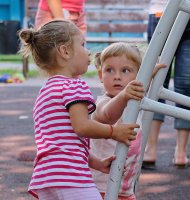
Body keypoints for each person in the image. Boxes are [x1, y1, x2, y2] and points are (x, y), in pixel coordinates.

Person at [18, 20, 140, 200]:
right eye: (83, 45)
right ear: (65, 51)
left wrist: (96, 164)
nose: (88, 51)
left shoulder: (46, 91)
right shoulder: (74, 86)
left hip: (45, 177)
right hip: (71, 176)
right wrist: (114, 132)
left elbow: (66, 142)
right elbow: (82, 127)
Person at [90, 42, 165, 200]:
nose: (117, 76)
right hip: (99, 188)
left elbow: (139, 88)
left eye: (125, 70)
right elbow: (107, 116)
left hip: (125, 188)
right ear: (100, 76)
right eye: (109, 70)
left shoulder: (133, 103)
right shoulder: (101, 102)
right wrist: (124, 94)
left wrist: (149, 73)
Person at [143, 0, 190, 168]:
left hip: (163, 11)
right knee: (185, 84)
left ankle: (151, 150)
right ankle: (180, 153)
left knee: (158, 80)